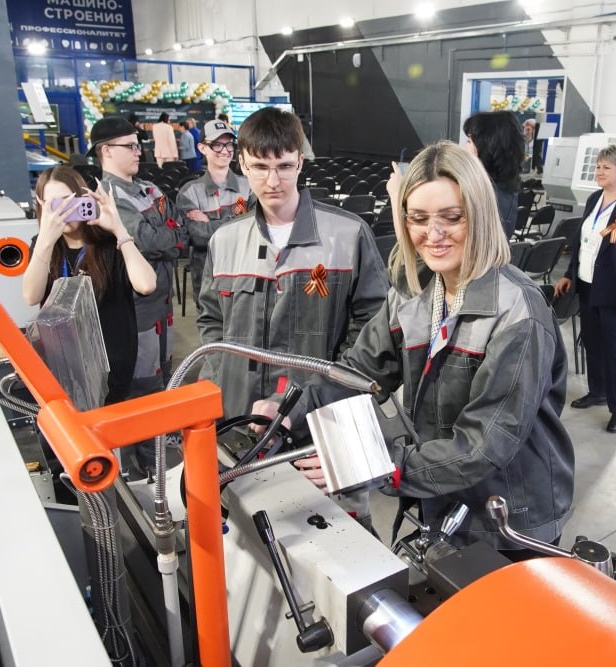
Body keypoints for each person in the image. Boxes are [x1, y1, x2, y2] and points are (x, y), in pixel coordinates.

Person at [256, 141, 575, 559]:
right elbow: (358, 371)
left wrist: (379, 463)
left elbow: (482, 447)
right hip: (443, 498)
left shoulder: (519, 314)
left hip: (509, 517)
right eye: (419, 218)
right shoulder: (415, 292)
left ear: (480, 214)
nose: (433, 234)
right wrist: (289, 411)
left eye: (452, 217)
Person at [197, 107, 389, 526]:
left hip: (321, 430)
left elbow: (374, 331)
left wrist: (322, 394)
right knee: (251, 535)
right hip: (241, 427)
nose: (273, 181)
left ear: (300, 161)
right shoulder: (224, 241)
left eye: (284, 166)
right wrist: (219, 387)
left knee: (342, 540)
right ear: (242, 163)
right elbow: (211, 322)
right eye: (260, 167)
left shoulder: (348, 234)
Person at [90, 116, 189, 469]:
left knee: (164, 377)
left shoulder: (150, 189)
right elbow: (147, 240)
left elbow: (179, 229)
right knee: (143, 388)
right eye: (130, 146)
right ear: (106, 151)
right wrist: (170, 239)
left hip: (162, 305)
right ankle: (147, 466)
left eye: (138, 145)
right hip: (137, 311)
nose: (138, 152)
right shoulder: (107, 197)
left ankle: (158, 448)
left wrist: (169, 239)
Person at [22, 165, 156, 405]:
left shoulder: (109, 243)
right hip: (62, 365)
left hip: (111, 367)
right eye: (54, 204)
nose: (63, 211)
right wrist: (44, 241)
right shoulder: (44, 247)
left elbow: (146, 285)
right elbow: (31, 296)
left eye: (69, 201)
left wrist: (119, 229)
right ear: (42, 207)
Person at [553, 144, 616, 433]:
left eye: (605, 167)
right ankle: (597, 391)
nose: (599, 171)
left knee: (615, 350)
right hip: (587, 283)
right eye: (598, 166)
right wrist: (570, 274)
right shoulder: (594, 199)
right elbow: (583, 242)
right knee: (592, 342)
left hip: (615, 289)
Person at [176, 119, 252, 309]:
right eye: (217, 145)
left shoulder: (249, 186)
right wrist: (237, 222)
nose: (225, 150)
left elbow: (255, 230)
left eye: (229, 144)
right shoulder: (189, 192)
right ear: (202, 148)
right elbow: (198, 237)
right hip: (207, 283)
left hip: (244, 278)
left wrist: (209, 223)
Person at [462, 110, 525, 239]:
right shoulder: (507, 190)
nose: (464, 148)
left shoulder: (478, 195)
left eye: (469, 141)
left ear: (485, 148)